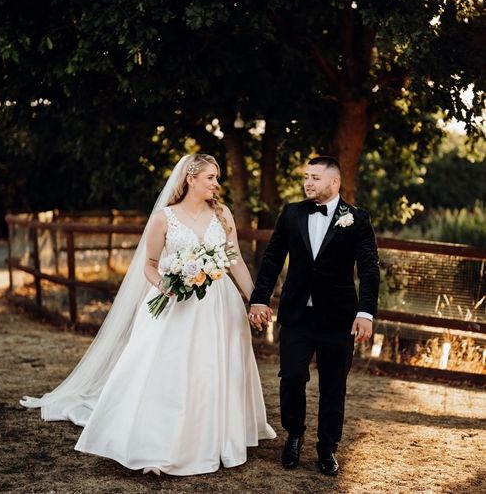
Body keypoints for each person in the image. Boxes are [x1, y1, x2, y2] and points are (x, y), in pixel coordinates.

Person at [21, 154, 275, 476]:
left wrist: (256, 300)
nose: (216, 183)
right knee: (168, 371)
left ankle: (217, 438)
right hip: (176, 304)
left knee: (214, 369)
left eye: (217, 177)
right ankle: (156, 446)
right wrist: (166, 286)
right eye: (211, 177)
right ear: (190, 179)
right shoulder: (164, 219)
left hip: (219, 305)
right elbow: (150, 265)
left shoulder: (222, 214)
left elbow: (234, 259)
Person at [248, 156, 379, 476]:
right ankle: (293, 436)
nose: (308, 182)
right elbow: (273, 258)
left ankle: (327, 448)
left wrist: (365, 312)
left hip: (338, 318)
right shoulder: (291, 214)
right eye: (306, 176)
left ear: (334, 183)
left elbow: (369, 268)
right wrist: (259, 300)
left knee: (334, 385)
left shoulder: (357, 219)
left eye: (316, 177)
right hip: (296, 316)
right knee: (292, 376)